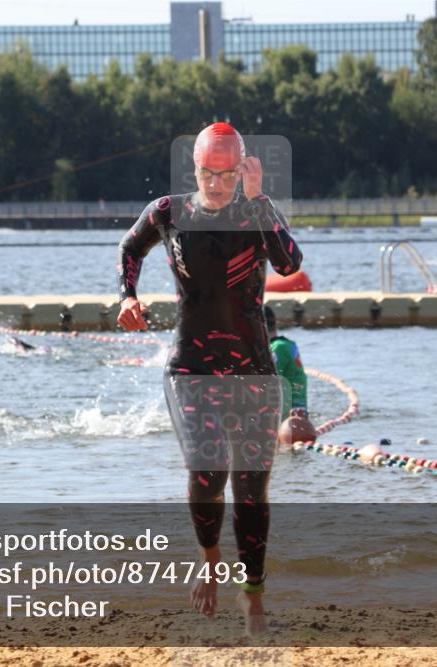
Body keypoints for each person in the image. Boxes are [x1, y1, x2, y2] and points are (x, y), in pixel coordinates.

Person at [117, 122, 302, 635]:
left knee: (250, 488)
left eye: (226, 174)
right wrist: (127, 296)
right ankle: (209, 558)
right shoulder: (169, 212)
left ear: (240, 168)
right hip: (190, 366)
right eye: (206, 173)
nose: (216, 184)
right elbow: (130, 249)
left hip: (254, 369)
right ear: (193, 169)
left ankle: (255, 594)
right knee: (207, 466)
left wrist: (260, 197)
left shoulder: (255, 212)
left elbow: (290, 263)